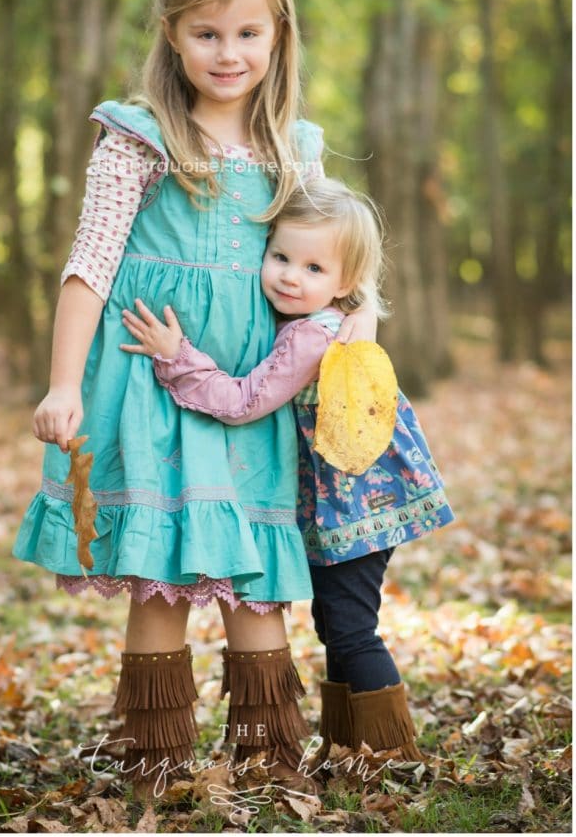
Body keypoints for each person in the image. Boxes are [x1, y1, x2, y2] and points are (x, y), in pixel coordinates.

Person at [12, 0, 377, 793]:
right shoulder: (137, 138)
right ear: (171, 34)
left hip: (255, 383)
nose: (227, 52)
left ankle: (266, 757)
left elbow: (336, 270)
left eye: (248, 32)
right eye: (205, 33)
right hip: (149, 375)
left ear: (277, 35)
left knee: (257, 568)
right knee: (162, 576)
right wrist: (64, 383)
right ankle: (159, 759)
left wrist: (356, 338)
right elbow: (89, 263)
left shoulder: (299, 150)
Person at [121, 176, 455, 765]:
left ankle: (390, 756)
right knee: (337, 622)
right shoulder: (324, 318)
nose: (290, 277)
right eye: (280, 257)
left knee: (351, 627)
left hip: (356, 507)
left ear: (346, 284)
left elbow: (244, 401)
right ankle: (354, 749)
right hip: (351, 505)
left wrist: (177, 357)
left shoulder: (311, 336)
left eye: (313, 269)